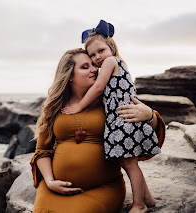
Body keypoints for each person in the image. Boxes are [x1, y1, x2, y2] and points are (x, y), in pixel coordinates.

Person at [30, 47, 165, 213]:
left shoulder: (110, 101)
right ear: (69, 75)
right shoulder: (55, 107)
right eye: (85, 67)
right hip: (55, 190)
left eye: (93, 66)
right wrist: (50, 182)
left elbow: (144, 130)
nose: (94, 69)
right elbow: (42, 151)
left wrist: (149, 114)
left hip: (102, 188)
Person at [61, 20, 161, 213]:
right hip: (121, 121)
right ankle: (148, 198)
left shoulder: (111, 61)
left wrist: (79, 106)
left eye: (101, 51)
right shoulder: (114, 64)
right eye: (92, 55)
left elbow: (98, 88)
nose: (97, 57)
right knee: (126, 162)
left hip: (126, 121)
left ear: (111, 47)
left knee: (131, 164)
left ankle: (139, 205)